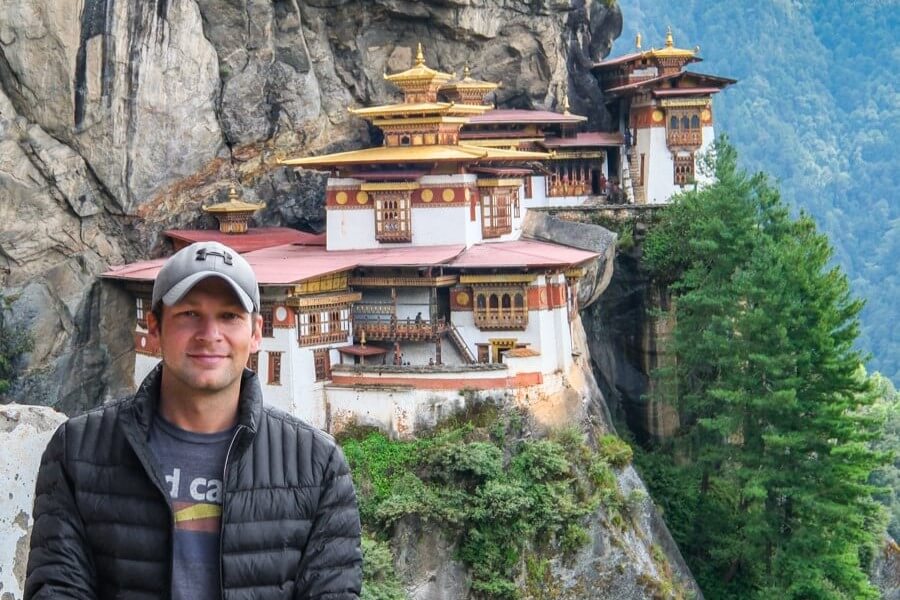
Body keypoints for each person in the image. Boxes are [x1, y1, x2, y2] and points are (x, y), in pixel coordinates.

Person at [24, 241, 362, 600]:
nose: (209, 334)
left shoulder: (315, 464)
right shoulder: (79, 450)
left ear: (256, 332)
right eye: (189, 314)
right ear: (154, 328)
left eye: (229, 316)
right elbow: (58, 589)